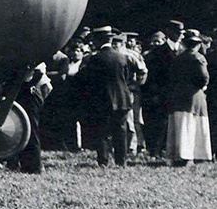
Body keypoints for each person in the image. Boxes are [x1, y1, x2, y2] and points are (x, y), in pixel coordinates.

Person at [78, 25, 146, 166]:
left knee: (101, 130)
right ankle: (121, 161)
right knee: (120, 130)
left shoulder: (94, 59)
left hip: (102, 98)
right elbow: (127, 77)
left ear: (98, 40)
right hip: (122, 98)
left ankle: (103, 160)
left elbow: (88, 80)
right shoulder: (123, 57)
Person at [165, 28, 214, 166]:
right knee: (195, 124)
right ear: (197, 44)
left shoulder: (177, 58)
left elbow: (171, 76)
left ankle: (180, 154)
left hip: (178, 94)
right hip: (194, 94)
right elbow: (204, 77)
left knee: (181, 124)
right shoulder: (198, 58)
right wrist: (202, 86)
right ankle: (196, 154)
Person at [143, 21, 183, 158]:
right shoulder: (158, 52)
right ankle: (156, 150)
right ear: (168, 32)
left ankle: (173, 150)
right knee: (160, 123)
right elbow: (153, 75)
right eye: (176, 32)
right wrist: (155, 93)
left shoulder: (184, 50)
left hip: (180, 94)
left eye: (181, 33)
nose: (179, 35)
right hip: (162, 93)